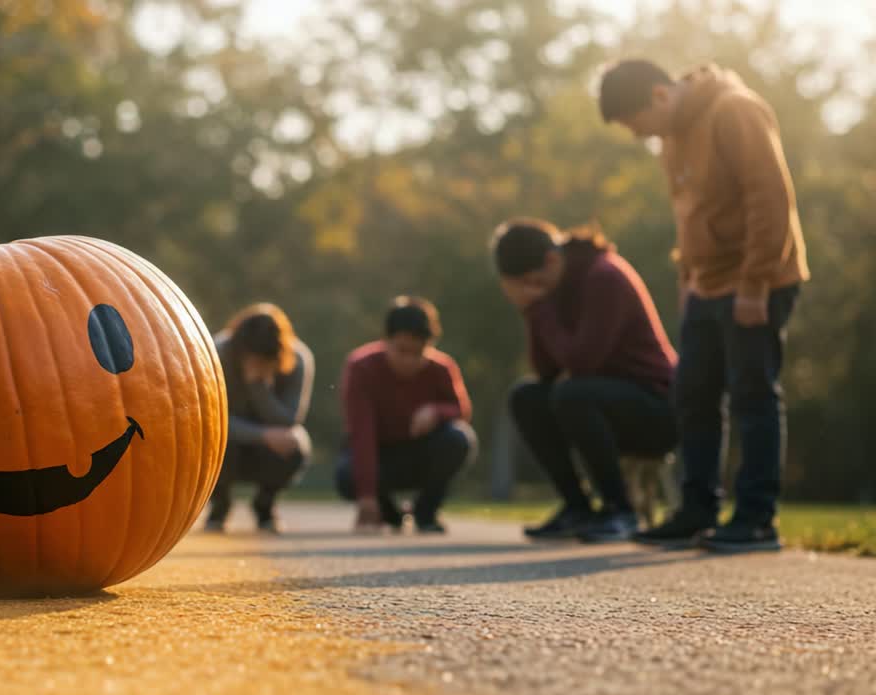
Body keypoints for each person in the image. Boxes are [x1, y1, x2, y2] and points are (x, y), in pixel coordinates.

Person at [599, 60, 809, 552]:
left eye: (635, 124)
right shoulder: (672, 138)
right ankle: (696, 509)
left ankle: (756, 519)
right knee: (692, 395)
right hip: (706, 285)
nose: (637, 135)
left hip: (757, 279)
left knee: (752, 395)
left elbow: (770, 198)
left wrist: (755, 284)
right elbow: (690, 214)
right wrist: (687, 276)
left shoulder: (735, 110)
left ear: (658, 95)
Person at [493, 220, 678, 542]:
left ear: (551, 260)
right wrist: (532, 313)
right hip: (604, 402)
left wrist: (537, 308)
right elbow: (546, 372)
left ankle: (620, 511)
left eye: (533, 282)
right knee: (525, 397)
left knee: (573, 393)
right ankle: (577, 508)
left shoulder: (603, 276)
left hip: (660, 408)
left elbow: (581, 363)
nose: (532, 292)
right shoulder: (556, 287)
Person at [335, 296, 476, 534]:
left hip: (421, 453)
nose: (409, 360)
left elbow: (461, 410)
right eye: (401, 351)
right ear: (385, 340)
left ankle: (426, 511)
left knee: (459, 438)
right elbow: (362, 432)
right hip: (380, 455)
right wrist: (367, 496)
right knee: (346, 475)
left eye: (418, 352)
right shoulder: (362, 367)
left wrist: (436, 411)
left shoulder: (441, 368)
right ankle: (387, 511)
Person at [205, 303, 314, 534]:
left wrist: (257, 385)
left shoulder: (298, 359)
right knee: (210, 439)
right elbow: (213, 418)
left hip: (271, 444)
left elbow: (289, 420)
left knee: (296, 443)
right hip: (228, 441)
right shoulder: (218, 352)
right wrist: (262, 435)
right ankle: (219, 505)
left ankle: (265, 504)